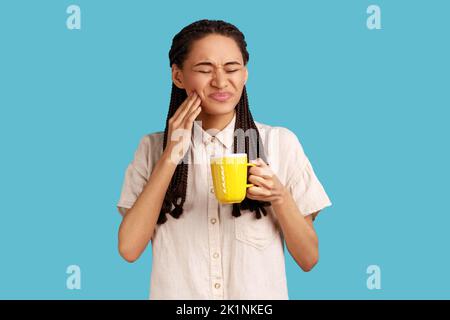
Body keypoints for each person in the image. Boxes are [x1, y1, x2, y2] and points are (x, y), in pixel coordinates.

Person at [116, 19, 332, 299]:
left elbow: (308, 259)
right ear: (178, 76)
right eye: (205, 69)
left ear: (245, 75)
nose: (220, 81)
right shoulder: (151, 148)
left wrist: (280, 197)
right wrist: (171, 154)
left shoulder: (279, 143)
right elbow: (129, 249)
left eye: (232, 68)